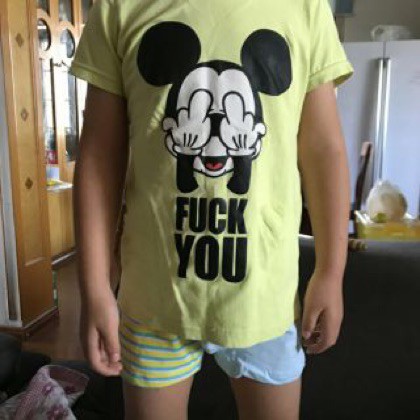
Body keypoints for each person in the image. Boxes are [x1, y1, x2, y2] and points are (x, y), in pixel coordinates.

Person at [71, 0, 353, 418]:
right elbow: (98, 154)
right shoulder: (119, 6)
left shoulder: (304, 6)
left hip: (265, 296)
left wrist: (331, 271)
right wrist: (93, 286)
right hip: (153, 298)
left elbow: (323, 149)